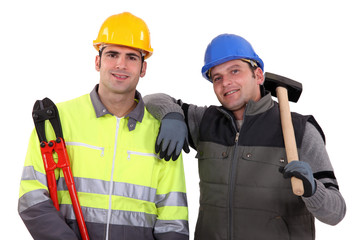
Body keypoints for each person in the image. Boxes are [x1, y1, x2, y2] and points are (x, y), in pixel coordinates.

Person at [144, 34, 346, 240]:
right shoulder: (204, 121)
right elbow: (151, 99)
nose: (226, 83)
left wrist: (313, 190)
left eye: (235, 71)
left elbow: (336, 213)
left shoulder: (300, 131)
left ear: (258, 75)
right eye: (217, 77)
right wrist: (172, 114)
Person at [18, 12, 189, 240]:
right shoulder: (56, 120)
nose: (121, 64)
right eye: (112, 54)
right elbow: (32, 199)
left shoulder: (163, 133)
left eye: (131, 57)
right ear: (97, 61)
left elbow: (173, 220)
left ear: (143, 68)